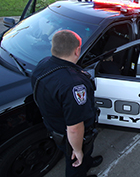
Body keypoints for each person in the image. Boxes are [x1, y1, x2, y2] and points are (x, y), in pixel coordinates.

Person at [31, 30, 102, 177]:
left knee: (86, 151)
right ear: (77, 51)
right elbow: (75, 127)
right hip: (71, 136)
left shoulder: (43, 64)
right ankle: (82, 166)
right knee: (75, 163)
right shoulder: (74, 85)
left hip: (54, 125)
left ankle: (87, 161)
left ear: (53, 47)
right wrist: (77, 150)